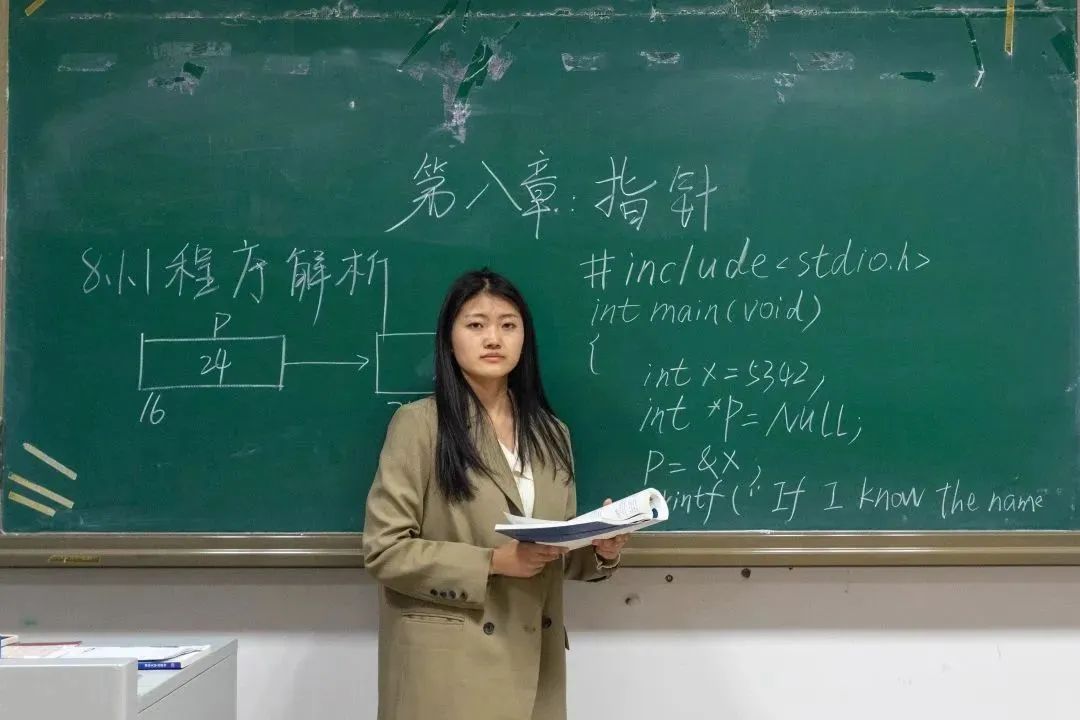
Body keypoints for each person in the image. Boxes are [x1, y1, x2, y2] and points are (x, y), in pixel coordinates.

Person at [362, 268, 627, 720]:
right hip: (450, 671)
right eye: (475, 324)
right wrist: (493, 562)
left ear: (525, 339)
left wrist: (600, 547)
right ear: (449, 339)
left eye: (508, 325)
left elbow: (553, 550)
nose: (493, 338)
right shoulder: (419, 425)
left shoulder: (551, 433)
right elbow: (385, 551)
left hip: (536, 663)